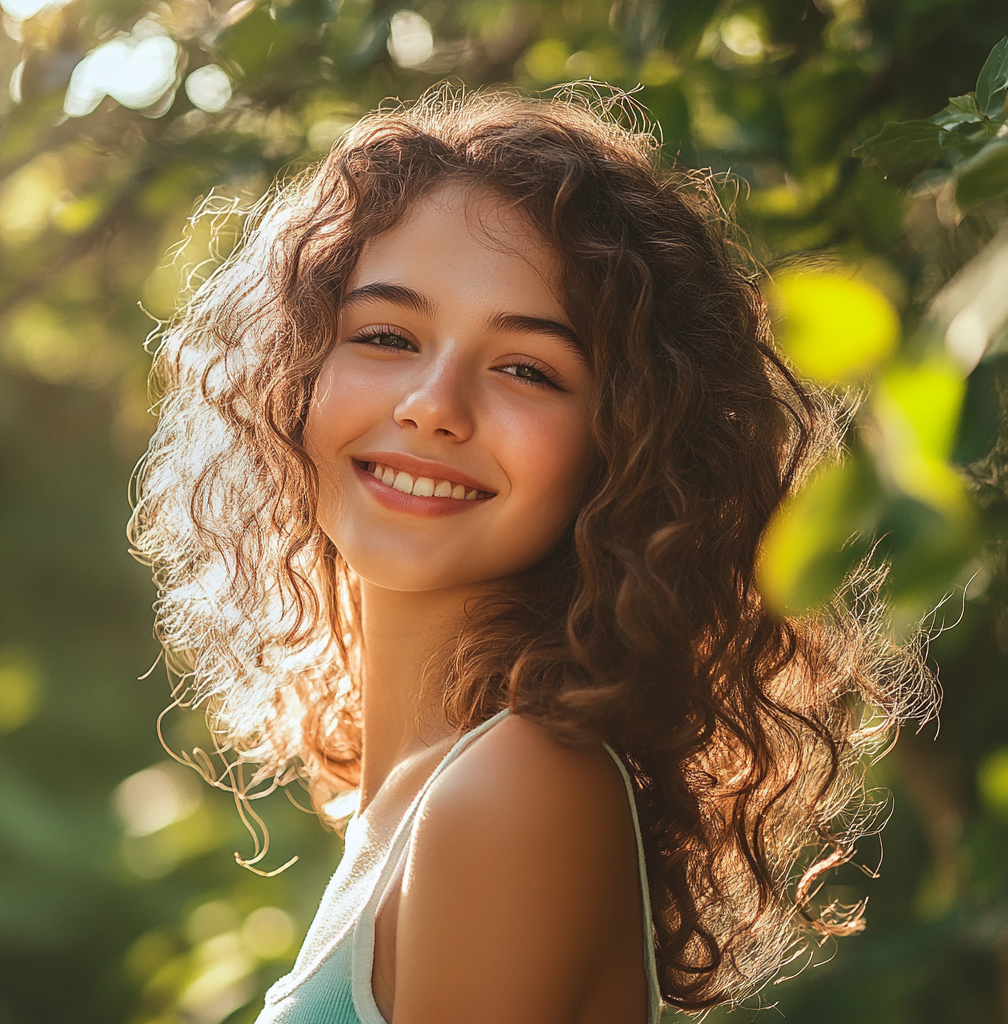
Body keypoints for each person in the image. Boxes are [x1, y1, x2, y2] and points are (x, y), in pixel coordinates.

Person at [130, 86, 934, 1023]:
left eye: (527, 369)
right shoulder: (422, 797)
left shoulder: (512, 787)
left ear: (625, 446)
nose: (434, 403)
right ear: (295, 374)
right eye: (387, 336)